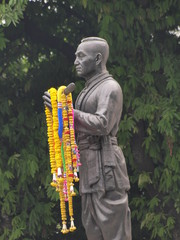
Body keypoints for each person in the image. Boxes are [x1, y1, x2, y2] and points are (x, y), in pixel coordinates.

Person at [43, 37, 131, 240]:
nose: (76, 61)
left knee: (114, 232)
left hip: (107, 169)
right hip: (89, 171)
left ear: (98, 59)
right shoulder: (86, 91)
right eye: (75, 56)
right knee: (93, 230)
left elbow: (102, 124)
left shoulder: (110, 87)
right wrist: (58, 111)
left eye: (81, 56)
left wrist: (66, 111)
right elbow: (74, 127)